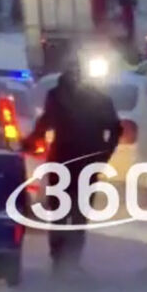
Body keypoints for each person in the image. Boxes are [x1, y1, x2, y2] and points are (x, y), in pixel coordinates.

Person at [22, 56, 122, 275]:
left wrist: (28, 142)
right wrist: (103, 154)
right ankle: (68, 261)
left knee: (61, 212)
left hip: (63, 160)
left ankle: (60, 261)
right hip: (85, 162)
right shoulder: (98, 98)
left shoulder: (58, 95)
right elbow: (115, 129)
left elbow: (45, 123)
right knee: (77, 213)